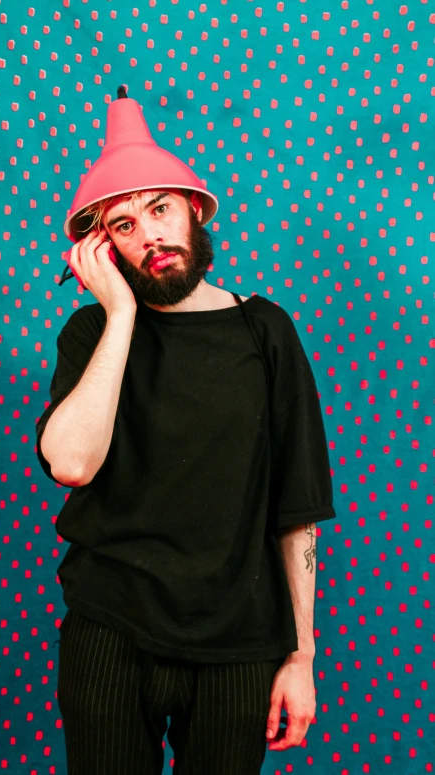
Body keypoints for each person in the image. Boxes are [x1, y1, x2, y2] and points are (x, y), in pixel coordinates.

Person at [36, 87, 336, 774]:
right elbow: (72, 463)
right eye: (123, 225)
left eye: (160, 209)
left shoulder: (265, 331)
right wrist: (117, 314)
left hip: (239, 644)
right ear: (103, 248)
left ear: (194, 211)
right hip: (112, 632)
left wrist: (300, 657)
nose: (150, 236)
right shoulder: (90, 333)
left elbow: (297, 512)